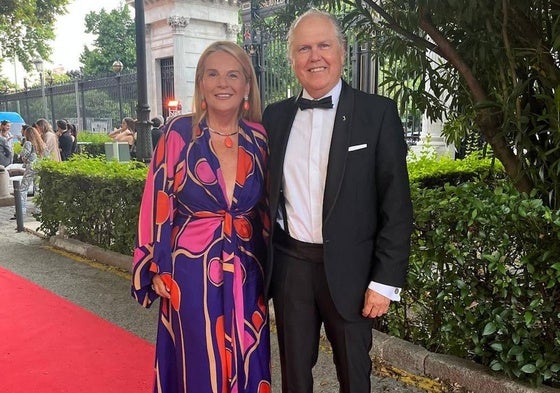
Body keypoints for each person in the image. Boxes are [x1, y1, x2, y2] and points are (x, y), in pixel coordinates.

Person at [262, 10, 413, 393]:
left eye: (324, 45)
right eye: (304, 48)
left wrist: (384, 282)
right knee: (294, 377)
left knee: (354, 376)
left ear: (342, 52)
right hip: (292, 268)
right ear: (292, 59)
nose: (315, 56)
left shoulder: (377, 114)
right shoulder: (274, 117)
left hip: (354, 272)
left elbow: (396, 205)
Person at [131, 41, 271, 393]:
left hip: (246, 271)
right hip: (190, 272)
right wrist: (155, 263)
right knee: (198, 360)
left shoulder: (260, 138)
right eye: (213, 74)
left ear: (246, 86)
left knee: (248, 354)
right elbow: (156, 199)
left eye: (232, 74)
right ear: (201, 84)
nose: (223, 83)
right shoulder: (179, 133)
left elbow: (269, 208)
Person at [13, 125, 46, 218]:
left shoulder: (28, 143)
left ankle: (21, 211)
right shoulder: (40, 143)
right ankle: (38, 210)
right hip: (39, 167)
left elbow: (24, 154)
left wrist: (22, 157)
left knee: (23, 188)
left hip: (31, 167)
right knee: (38, 188)